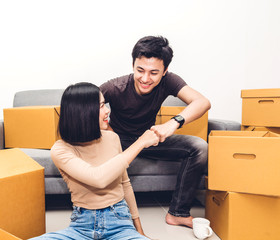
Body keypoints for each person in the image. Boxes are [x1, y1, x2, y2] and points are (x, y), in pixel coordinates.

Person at [100, 36, 211, 228]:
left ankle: (178, 213)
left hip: (149, 138)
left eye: (153, 73)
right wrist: (110, 134)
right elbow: (86, 107)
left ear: (165, 71)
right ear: (133, 65)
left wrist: (174, 123)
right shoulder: (115, 87)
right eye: (140, 70)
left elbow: (202, 102)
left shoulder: (170, 81)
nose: (145, 78)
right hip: (120, 142)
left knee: (199, 147)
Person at [29, 82, 160, 240]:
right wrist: (140, 143)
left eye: (105, 104)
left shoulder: (112, 138)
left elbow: (125, 184)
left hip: (119, 223)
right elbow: (98, 178)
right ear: (83, 112)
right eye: (101, 106)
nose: (107, 111)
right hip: (81, 227)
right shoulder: (61, 149)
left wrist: (139, 231)